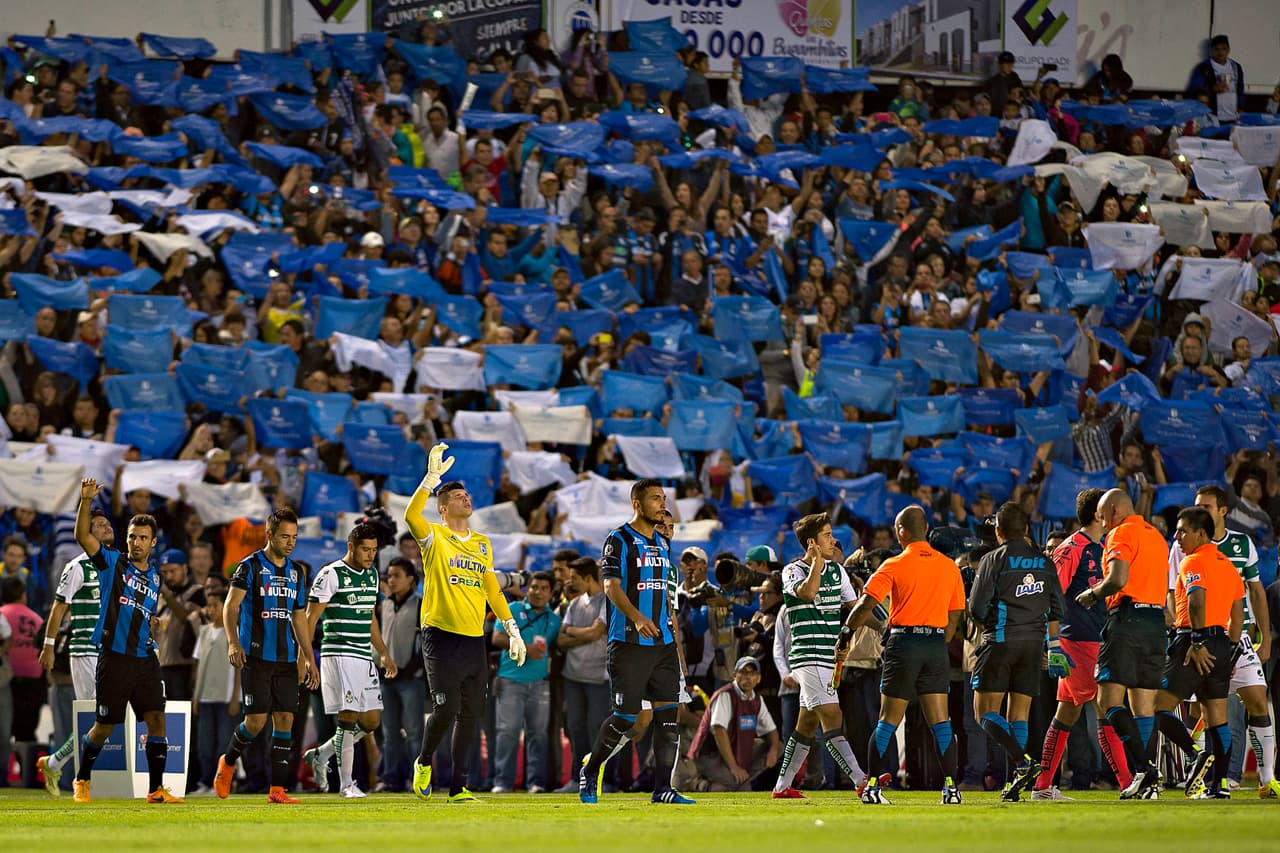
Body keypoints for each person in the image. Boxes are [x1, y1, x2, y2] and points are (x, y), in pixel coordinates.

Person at [403, 443, 527, 803]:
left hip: (475, 639)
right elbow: (411, 517)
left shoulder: (483, 544)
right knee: (445, 709)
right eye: (458, 496)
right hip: (440, 635)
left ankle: (458, 787)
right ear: (444, 508)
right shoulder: (435, 537)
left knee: (471, 715)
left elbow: (492, 590)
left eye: (467, 495)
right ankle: (424, 761)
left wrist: (511, 628)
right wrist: (430, 480)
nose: (466, 499)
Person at [579, 479, 694, 806]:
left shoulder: (662, 542)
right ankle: (592, 769)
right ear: (637, 504)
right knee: (626, 719)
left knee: (669, 718)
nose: (662, 503)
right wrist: (637, 618)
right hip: (628, 643)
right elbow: (612, 587)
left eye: (664, 498)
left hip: (664, 645)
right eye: (655, 499)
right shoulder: (618, 540)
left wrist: (666, 629)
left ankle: (663, 790)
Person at [841, 506, 966, 805]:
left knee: (887, 721)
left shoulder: (894, 564)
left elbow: (865, 605)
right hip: (935, 645)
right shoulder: (949, 566)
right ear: (926, 527)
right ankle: (951, 789)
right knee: (941, 722)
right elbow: (955, 614)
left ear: (900, 531)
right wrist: (938, 641)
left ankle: (872, 787)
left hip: (904, 643)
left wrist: (846, 633)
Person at [69, 478, 183, 804]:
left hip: (144, 657)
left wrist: (151, 622)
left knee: (157, 719)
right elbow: (81, 536)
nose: (135, 542)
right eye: (132, 536)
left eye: (142, 538)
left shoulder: (156, 577)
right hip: (115, 656)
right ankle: (82, 779)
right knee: (105, 726)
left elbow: (141, 610)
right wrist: (86, 501)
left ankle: (155, 790)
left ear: (153, 543)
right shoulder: (112, 562)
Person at [1165, 485, 1276, 797]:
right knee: (1210, 714)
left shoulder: (1236, 546)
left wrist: (1261, 638)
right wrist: (1183, 628)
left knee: (1254, 698)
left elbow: (1251, 594)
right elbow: (1176, 593)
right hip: (1214, 640)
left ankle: (1264, 778)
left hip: (1216, 640)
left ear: (1221, 511)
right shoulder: (1192, 554)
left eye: (1207, 505)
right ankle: (1217, 782)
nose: (1178, 537)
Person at [1032, 489, 1133, 800]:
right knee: (1106, 709)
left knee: (1070, 712)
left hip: (1099, 638)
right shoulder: (1072, 547)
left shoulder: (1104, 546)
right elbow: (1052, 594)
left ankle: (1043, 785)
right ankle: (1130, 783)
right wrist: (1053, 643)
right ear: (1098, 514)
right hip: (1078, 640)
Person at [967, 502, 1068, 802]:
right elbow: (1057, 608)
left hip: (999, 641)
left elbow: (976, 607)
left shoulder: (993, 559)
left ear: (998, 530)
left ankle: (1023, 763)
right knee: (1019, 715)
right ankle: (1015, 782)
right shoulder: (1044, 562)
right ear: (1026, 529)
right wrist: (1054, 647)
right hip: (1033, 647)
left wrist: (990, 621)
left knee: (983, 712)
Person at [1073, 488, 1170, 799]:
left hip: (1128, 619)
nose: (1100, 523)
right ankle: (1148, 783)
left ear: (1114, 511)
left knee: (1108, 701)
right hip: (1156, 622)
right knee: (1143, 707)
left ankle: (1143, 770)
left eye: (1102, 515)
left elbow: (1117, 578)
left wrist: (1092, 594)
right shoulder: (1155, 535)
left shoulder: (1120, 533)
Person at [214, 509, 316, 804]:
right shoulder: (249, 567)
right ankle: (228, 761)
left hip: (285, 658)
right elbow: (230, 607)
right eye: (285, 536)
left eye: (294, 537)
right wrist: (234, 644)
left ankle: (277, 790)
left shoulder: (297, 571)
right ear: (268, 535)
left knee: (285, 719)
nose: (290, 542)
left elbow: (299, 618)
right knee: (255, 723)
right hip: (256, 656)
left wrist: (308, 658)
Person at [770, 512, 868, 799]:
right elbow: (809, 593)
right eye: (826, 535)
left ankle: (782, 787)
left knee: (808, 723)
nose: (833, 539)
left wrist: (886, 626)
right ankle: (861, 782)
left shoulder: (838, 573)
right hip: (807, 655)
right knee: (832, 714)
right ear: (811, 543)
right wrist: (815, 562)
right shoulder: (792, 571)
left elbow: (855, 608)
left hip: (828, 656)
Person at [1154, 507, 1246, 799]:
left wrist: (1196, 642)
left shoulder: (1192, 562)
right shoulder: (1228, 566)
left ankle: (1195, 754)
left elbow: (1195, 602)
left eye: (1183, 530)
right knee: (1217, 719)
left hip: (1193, 642)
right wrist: (1230, 652)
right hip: (1222, 643)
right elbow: (1238, 614)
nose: (1177, 536)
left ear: (1201, 533)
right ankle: (1218, 788)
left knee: (1155, 708)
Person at [303, 523, 397, 798]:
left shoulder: (371, 575)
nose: (370, 555)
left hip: (363, 656)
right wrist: (307, 658)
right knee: (348, 717)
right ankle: (346, 784)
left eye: (374, 551)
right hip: (338, 653)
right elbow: (310, 618)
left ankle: (321, 754)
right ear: (351, 547)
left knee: (370, 722)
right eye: (365, 550)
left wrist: (383, 651)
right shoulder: (331, 574)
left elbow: (370, 618)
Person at [36, 509, 115, 796]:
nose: (107, 527)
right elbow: (59, 607)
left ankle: (55, 763)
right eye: (100, 525)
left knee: (107, 714)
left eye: (108, 523)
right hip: (84, 650)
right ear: (88, 532)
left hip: (111, 651)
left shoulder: (115, 564)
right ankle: (73, 774)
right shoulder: (77, 566)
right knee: (95, 715)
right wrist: (48, 646)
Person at [492, 571, 561, 793]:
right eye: (533, 587)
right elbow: (497, 637)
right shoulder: (512, 609)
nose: (537, 592)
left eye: (543, 588)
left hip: (540, 683)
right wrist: (523, 646)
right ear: (527, 589)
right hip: (510, 680)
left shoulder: (555, 619)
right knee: (507, 732)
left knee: (538, 735)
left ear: (551, 593)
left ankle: (535, 782)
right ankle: (502, 782)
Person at [681, 656, 779, 791]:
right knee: (737, 784)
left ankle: (732, 781)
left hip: (731, 752)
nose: (748, 677)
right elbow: (719, 731)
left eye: (752, 673)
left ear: (758, 678)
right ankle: (696, 784)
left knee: (777, 746)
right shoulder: (725, 695)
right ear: (734, 675)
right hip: (709, 754)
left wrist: (773, 749)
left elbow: (771, 730)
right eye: (743, 672)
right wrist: (734, 767)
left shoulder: (757, 699)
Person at [557, 556, 609, 794]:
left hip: (598, 676)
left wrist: (571, 631)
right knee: (575, 727)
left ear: (589, 578)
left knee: (597, 729)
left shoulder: (606, 602)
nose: (571, 582)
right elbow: (560, 639)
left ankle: (603, 779)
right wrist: (582, 633)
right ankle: (575, 778)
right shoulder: (575, 604)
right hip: (573, 676)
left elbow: (596, 633)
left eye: (575, 578)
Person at [377, 557, 426, 794]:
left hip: (411, 679)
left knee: (416, 733)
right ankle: (391, 779)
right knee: (389, 734)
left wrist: (408, 670)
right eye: (389, 575)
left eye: (397, 575)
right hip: (385, 679)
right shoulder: (383, 605)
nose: (391, 580)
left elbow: (426, 645)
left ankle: (418, 779)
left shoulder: (421, 605)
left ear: (411, 580)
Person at [1189, 35, 1245, 124]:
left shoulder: (1236, 67)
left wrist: (1241, 108)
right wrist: (1213, 88)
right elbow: (1195, 89)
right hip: (1212, 118)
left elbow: (1240, 89)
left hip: (1233, 117)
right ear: (1212, 50)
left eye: (1224, 49)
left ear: (1228, 50)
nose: (1220, 52)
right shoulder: (1203, 68)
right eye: (1217, 49)